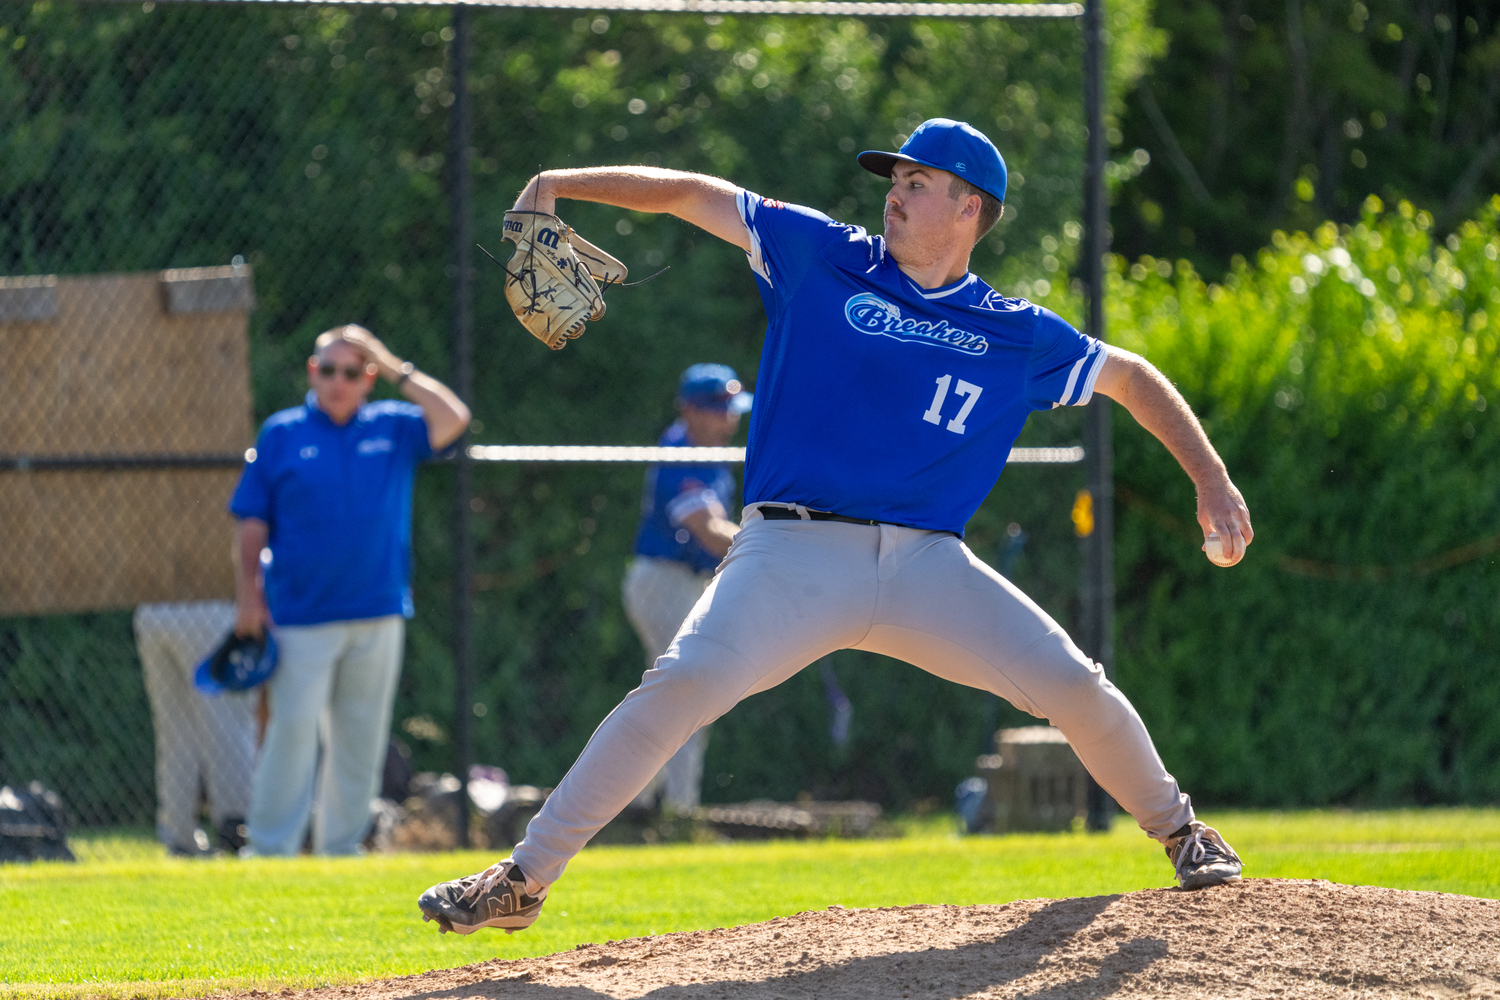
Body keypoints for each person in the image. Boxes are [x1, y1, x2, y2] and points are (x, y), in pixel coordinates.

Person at [419, 117, 1254, 933]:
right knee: (679, 684)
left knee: (1074, 683)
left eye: (917, 183)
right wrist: (562, 182)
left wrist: (1211, 480)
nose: (895, 195)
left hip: (931, 564)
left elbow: (1132, 377)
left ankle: (1181, 832)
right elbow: (685, 194)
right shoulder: (821, 253)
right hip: (792, 552)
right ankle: (525, 878)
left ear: (971, 210)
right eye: (894, 180)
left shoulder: (1014, 332)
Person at [230, 325, 470, 856]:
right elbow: (251, 524)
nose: (338, 381)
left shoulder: (395, 424)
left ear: (367, 380)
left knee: (360, 740)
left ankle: (341, 850)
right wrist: (249, 598)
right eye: (327, 369)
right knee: (291, 736)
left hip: (378, 611)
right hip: (298, 614)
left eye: (352, 371)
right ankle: (269, 851)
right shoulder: (282, 432)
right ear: (312, 373)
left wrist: (389, 361)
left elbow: (454, 417)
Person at [623, 363, 751, 814]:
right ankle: (678, 808)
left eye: (732, 410)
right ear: (689, 410)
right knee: (692, 689)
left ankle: (639, 801)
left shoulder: (709, 450)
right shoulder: (680, 449)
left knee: (674, 693)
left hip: (686, 583)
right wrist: (771, 549)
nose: (730, 419)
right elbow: (709, 530)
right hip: (663, 581)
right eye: (719, 410)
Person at [133, 599, 255, 856]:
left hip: (152, 611)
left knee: (176, 732)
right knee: (226, 724)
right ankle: (236, 828)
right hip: (207, 609)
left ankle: (179, 836)